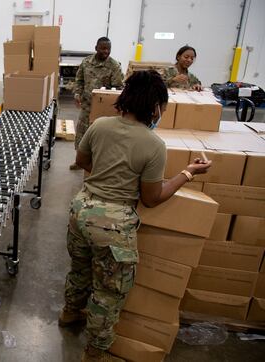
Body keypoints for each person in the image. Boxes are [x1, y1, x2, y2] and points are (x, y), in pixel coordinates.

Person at [59, 70, 211, 362]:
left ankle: (69, 314)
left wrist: (104, 177)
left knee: (80, 269)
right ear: (155, 107)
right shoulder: (154, 145)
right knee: (109, 292)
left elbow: (81, 161)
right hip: (112, 226)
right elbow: (152, 198)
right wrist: (187, 174)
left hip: (81, 209)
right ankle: (94, 353)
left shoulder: (100, 125)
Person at [72, 37, 124, 170]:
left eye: (108, 49)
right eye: (103, 48)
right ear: (96, 48)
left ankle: (96, 164)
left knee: (100, 136)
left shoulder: (114, 66)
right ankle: (79, 161)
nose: (106, 51)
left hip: (103, 110)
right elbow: (79, 80)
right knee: (82, 134)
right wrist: (77, 94)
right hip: (86, 106)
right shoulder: (86, 62)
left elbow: (118, 88)